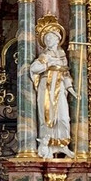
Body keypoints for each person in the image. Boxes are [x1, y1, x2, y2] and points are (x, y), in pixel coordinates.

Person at [30, 19, 76, 157]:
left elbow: (66, 73)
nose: (48, 40)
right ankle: (47, 145)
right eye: (46, 38)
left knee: (63, 117)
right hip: (47, 87)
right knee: (47, 115)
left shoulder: (62, 56)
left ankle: (63, 144)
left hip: (60, 87)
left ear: (57, 39)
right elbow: (34, 68)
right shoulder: (45, 55)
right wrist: (48, 65)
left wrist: (71, 89)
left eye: (50, 37)